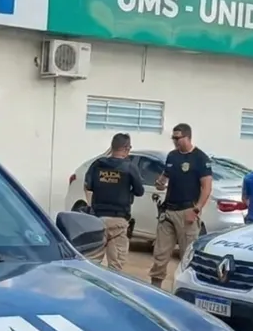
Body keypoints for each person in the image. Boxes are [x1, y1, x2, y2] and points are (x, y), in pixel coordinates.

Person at [149, 123, 212, 288]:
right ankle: (155, 288)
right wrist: (160, 183)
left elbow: (206, 187)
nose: (175, 141)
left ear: (188, 137)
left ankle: (185, 290)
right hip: (168, 211)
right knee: (160, 254)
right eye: (173, 138)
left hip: (187, 212)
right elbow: (165, 176)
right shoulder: (172, 156)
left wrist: (196, 209)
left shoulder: (200, 158)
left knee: (187, 256)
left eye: (178, 138)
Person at [83, 132, 144, 271]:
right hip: (118, 221)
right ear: (127, 148)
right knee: (115, 267)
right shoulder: (130, 167)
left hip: (97, 220)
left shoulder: (97, 164)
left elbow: (88, 186)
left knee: (92, 264)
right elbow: (139, 191)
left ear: (112, 147)